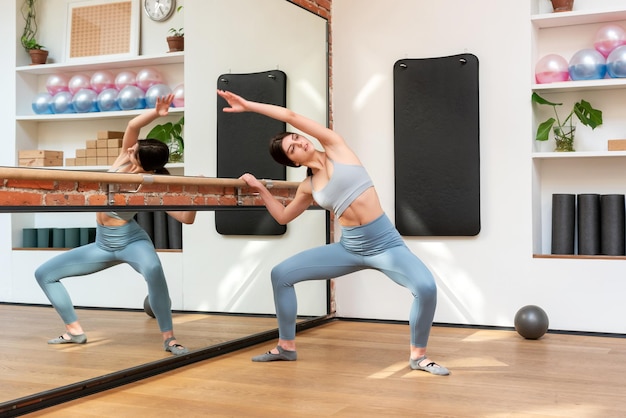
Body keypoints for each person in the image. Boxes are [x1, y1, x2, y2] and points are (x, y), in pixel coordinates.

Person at [217, 89, 449, 375]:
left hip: (385, 244)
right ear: (294, 163)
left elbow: (290, 116)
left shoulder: (337, 147)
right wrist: (262, 189)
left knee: (425, 288)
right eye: (292, 149)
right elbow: (283, 216)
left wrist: (248, 105)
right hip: (350, 248)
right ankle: (286, 347)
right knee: (281, 274)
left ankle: (419, 357)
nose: (300, 143)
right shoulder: (308, 187)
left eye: (297, 138)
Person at [35, 94, 196, 356]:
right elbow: (133, 126)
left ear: (146, 165)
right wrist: (157, 113)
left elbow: (185, 218)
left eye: (135, 151)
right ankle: (74, 331)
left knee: (154, 269)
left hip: (131, 242)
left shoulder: (150, 186)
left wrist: (193, 198)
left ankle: (170, 338)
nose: (130, 148)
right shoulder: (123, 158)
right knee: (44, 274)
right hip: (102, 244)